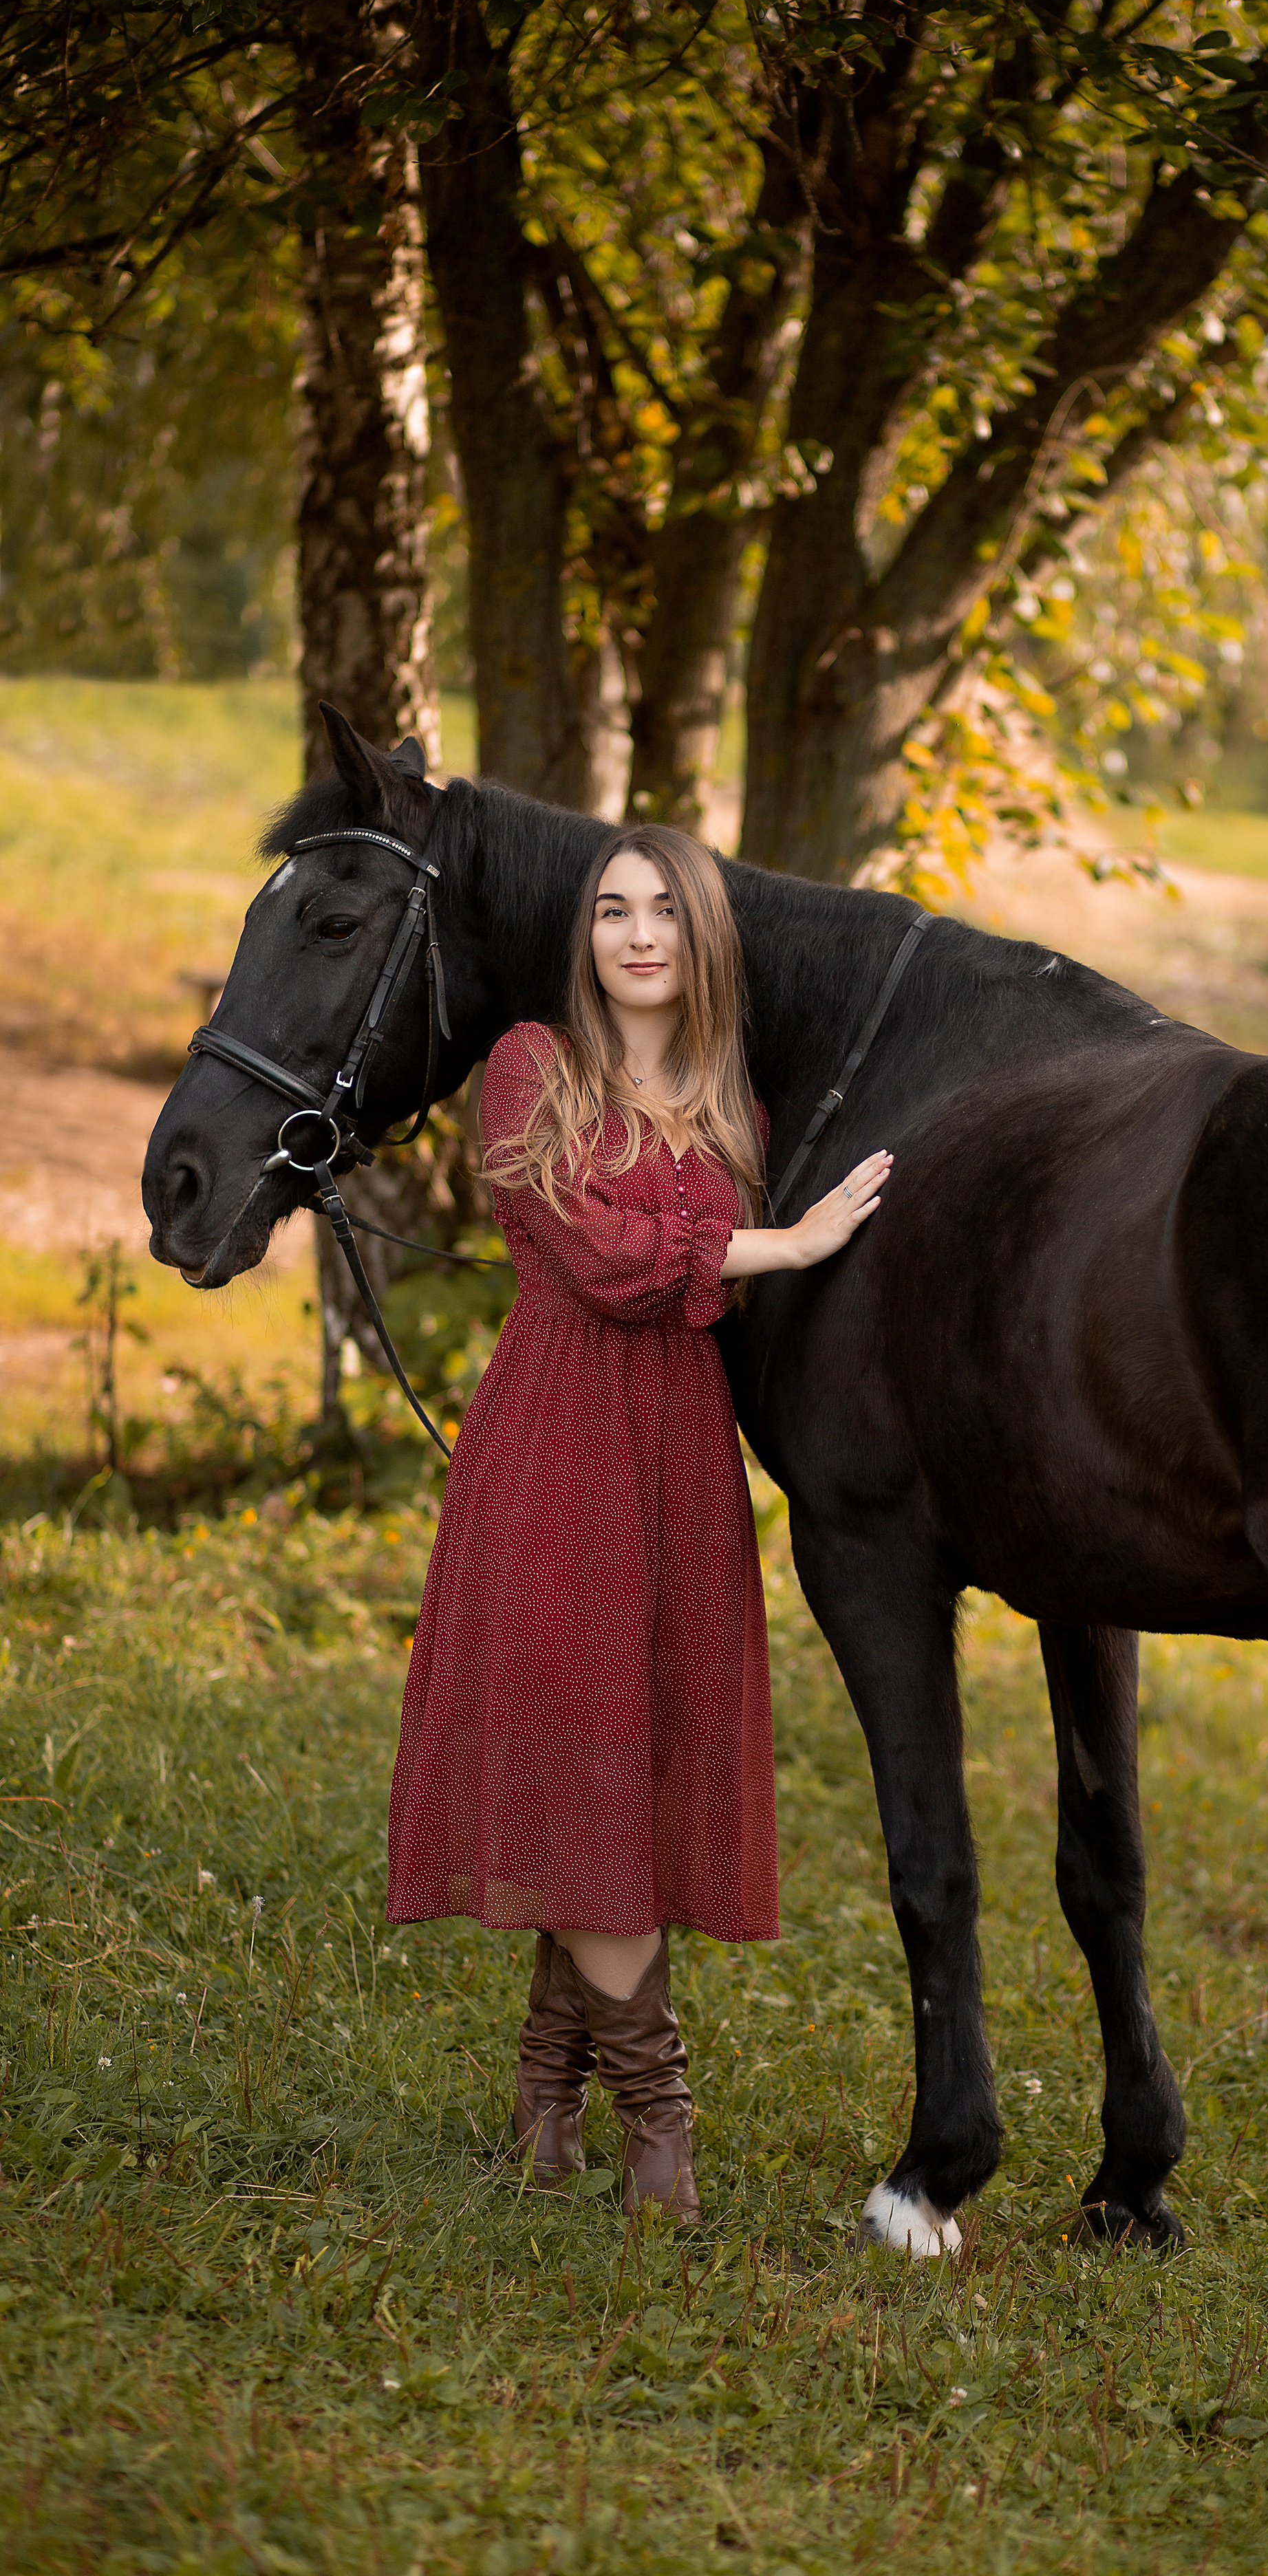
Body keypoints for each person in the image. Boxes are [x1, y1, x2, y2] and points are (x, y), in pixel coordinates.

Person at [384, 825, 889, 2220]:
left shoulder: (737, 1105)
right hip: (553, 1449)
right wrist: (782, 1246)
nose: (637, 933)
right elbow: (605, 1261)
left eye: (665, 909)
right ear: (586, 937)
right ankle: (657, 2119)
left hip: (677, 1456)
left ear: (704, 935)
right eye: (612, 910)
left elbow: (676, 1284)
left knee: (630, 1756)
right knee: (581, 1756)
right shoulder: (529, 1070)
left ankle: (551, 2090)